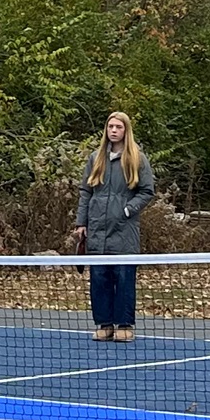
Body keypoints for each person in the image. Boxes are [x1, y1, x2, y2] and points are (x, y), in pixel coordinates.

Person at [70, 110, 155, 341]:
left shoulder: (137, 158)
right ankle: (104, 324)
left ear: (126, 130)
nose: (114, 131)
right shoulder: (95, 158)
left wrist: (127, 210)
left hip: (124, 232)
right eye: (110, 127)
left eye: (118, 127)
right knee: (99, 279)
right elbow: (86, 192)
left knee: (124, 278)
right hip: (97, 232)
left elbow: (147, 191)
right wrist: (82, 222)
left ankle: (125, 325)